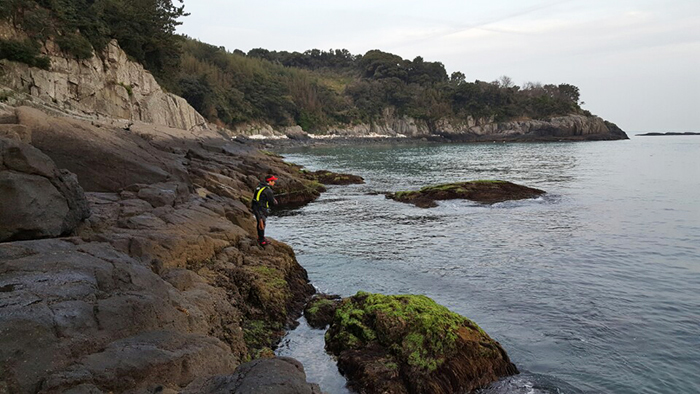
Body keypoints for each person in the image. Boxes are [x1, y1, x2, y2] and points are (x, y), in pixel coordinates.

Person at [251, 175, 278, 246]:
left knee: (260, 222)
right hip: (261, 208)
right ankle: (261, 240)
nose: (274, 182)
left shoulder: (260, 186)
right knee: (261, 223)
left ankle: (260, 237)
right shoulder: (268, 190)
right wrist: (275, 201)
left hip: (255, 206)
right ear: (269, 181)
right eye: (273, 181)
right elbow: (272, 202)